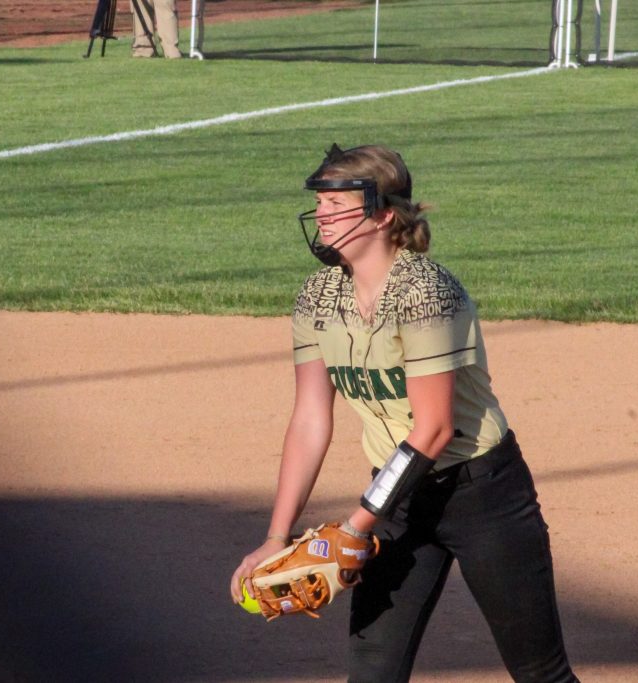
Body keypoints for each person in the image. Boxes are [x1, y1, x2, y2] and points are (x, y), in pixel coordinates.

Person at [229, 144, 579, 683]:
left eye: (337, 202)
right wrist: (278, 536)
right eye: (319, 202)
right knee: (373, 671)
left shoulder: (427, 294)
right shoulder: (318, 297)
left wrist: (351, 530)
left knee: (540, 672)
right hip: (394, 500)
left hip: (482, 496)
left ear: (384, 214)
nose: (322, 213)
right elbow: (309, 420)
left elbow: (434, 429)